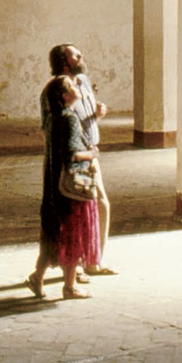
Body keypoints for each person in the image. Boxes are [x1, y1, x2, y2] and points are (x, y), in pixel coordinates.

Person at [43, 44, 117, 276]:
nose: (80, 56)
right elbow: (53, 127)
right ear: (63, 61)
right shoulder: (53, 89)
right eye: (74, 54)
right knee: (74, 212)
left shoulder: (82, 83)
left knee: (97, 206)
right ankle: (75, 268)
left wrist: (96, 115)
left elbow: (82, 120)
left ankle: (91, 260)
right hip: (72, 160)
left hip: (88, 153)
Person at [28, 74, 101, 300]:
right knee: (74, 235)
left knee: (53, 234)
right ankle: (69, 287)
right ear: (64, 95)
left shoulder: (52, 117)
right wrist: (91, 154)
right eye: (71, 86)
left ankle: (37, 276)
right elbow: (71, 155)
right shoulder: (69, 118)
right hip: (70, 187)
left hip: (53, 185)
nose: (76, 86)